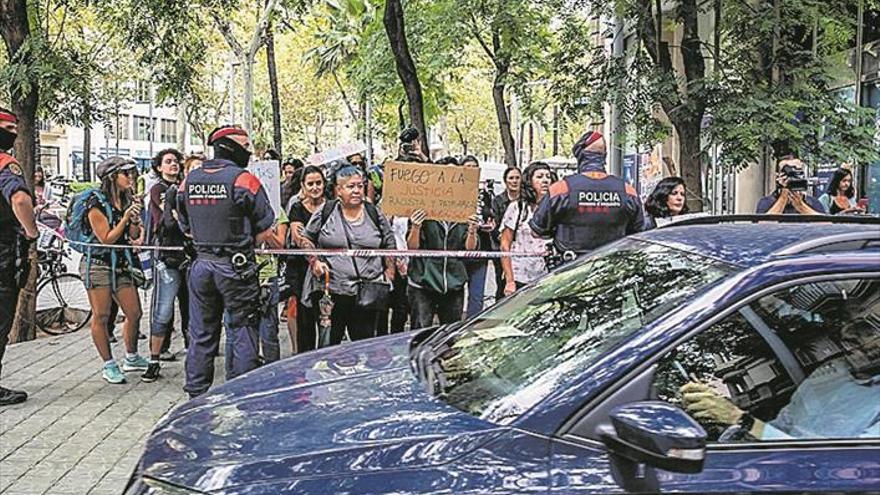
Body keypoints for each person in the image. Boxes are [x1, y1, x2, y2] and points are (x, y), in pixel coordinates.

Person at [177, 125, 282, 398]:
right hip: (236, 268)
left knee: (201, 333)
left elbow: (184, 227)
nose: (248, 151)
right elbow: (266, 229)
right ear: (230, 146)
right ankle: (241, 394)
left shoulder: (189, 180)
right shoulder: (243, 180)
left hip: (201, 266)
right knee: (243, 330)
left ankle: (196, 397)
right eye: (245, 145)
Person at [301, 165, 396, 346]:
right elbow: (306, 238)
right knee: (329, 345)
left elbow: (389, 243)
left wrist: (389, 271)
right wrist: (314, 261)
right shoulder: (326, 211)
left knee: (366, 347)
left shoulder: (374, 213)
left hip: (368, 292)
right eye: (350, 187)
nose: (356, 191)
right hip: (332, 291)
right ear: (338, 190)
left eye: (360, 186)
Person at [81, 157, 148, 384]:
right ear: (112, 177)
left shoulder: (126, 198)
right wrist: (126, 218)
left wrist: (135, 221)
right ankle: (109, 364)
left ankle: (131, 356)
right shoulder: (95, 202)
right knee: (101, 314)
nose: (131, 178)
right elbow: (106, 239)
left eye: (132, 173)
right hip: (98, 263)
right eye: (126, 174)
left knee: (134, 312)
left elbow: (132, 236)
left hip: (121, 263)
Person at [530, 130, 645, 256]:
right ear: (604, 156)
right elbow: (638, 231)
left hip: (569, 267)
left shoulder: (561, 189)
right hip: (613, 267)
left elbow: (537, 230)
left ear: (581, 155)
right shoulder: (628, 191)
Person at [407, 154, 481, 329]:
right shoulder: (422, 207)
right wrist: (416, 226)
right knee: (420, 331)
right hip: (423, 282)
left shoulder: (465, 210)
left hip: (453, 282)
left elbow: (469, 249)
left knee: (451, 334)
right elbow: (412, 247)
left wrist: (472, 230)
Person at [0, 108, 38, 405]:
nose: (13, 133)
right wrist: (31, 231)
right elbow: (21, 198)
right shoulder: (5, 163)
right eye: (9, 128)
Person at [144, 149, 186, 381]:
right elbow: (170, 220)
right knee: (163, 309)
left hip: (190, 256)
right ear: (159, 167)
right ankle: (154, 358)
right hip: (168, 256)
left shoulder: (184, 186)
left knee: (192, 310)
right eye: (168, 162)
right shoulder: (158, 189)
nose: (173, 165)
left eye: (176, 162)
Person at [500, 162, 556, 296]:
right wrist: (510, 280)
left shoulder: (554, 207)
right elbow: (504, 245)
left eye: (548, 177)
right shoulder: (517, 207)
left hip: (546, 275)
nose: (545, 181)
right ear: (529, 181)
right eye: (539, 177)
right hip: (520, 276)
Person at [287, 165, 325, 353]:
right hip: (302, 271)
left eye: (318, 183)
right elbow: (298, 237)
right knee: (305, 319)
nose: (315, 187)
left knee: (327, 320)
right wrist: (313, 256)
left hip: (329, 270)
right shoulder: (296, 208)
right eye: (310, 184)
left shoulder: (332, 206)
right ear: (303, 186)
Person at [460, 155, 493, 318]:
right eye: (467, 167)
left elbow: (490, 216)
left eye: (474, 166)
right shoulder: (452, 194)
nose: (471, 170)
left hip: (481, 251)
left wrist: (490, 226)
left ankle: (471, 327)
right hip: (459, 251)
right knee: (457, 296)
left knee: (477, 296)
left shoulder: (484, 194)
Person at [490, 166, 522, 301]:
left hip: (522, 251)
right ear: (505, 181)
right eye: (511, 178)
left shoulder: (526, 201)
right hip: (502, 249)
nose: (514, 181)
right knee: (503, 284)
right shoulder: (497, 201)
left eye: (517, 178)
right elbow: (494, 226)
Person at [756, 156, 826, 215]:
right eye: (787, 173)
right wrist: (783, 198)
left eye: (797, 171)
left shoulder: (813, 202)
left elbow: (825, 226)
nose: (792, 177)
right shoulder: (766, 202)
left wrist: (802, 207)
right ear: (778, 176)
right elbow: (762, 226)